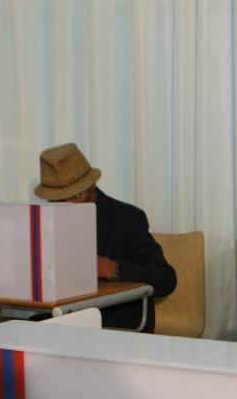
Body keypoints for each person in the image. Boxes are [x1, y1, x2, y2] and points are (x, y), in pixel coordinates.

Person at [34, 142, 177, 332]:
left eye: (76, 197)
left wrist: (114, 269)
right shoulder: (40, 221)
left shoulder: (127, 218)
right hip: (58, 319)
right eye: (59, 199)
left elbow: (166, 280)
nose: (68, 205)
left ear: (91, 185)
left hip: (113, 322)